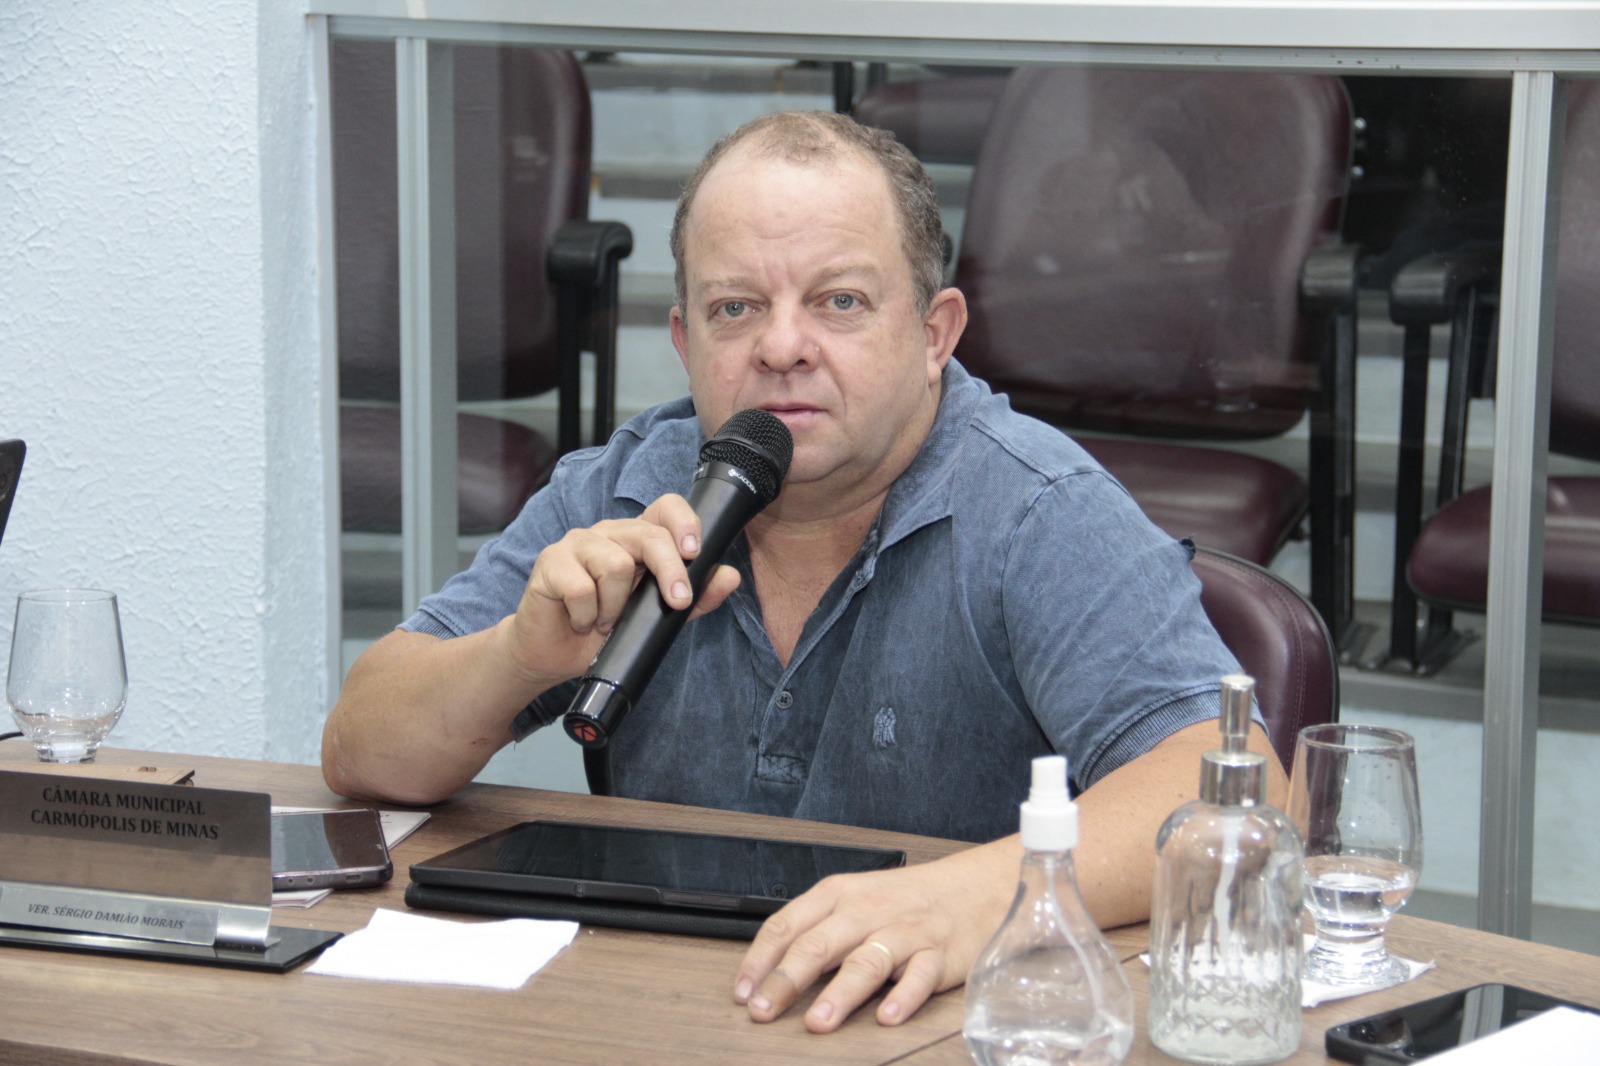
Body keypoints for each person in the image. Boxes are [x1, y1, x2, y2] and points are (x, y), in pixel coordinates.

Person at [322, 110, 1286, 1032]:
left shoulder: (1037, 509)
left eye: (840, 302)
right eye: (736, 308)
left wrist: (971, 897)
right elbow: (362, 750)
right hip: (658, 1011)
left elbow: (1241, 798)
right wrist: (517, 658)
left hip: (937, 1021)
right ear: (686, 343)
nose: (782, 348)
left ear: (935, 333)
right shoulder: (626, 488)